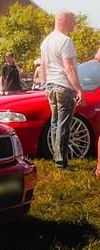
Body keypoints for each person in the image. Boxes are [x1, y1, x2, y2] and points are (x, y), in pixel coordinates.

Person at [40, 10, 85, 169]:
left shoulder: (46, 41)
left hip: (51, 86)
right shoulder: (66, 41)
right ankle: (61, 162)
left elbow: (43, 67)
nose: (75, 24)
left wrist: (45, 85)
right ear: (64, 21)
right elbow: (69, 68)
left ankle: (56, 158)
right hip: (64, 87)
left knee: (55, 123)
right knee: (63, 124)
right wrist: (78, 89)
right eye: (73, 21)